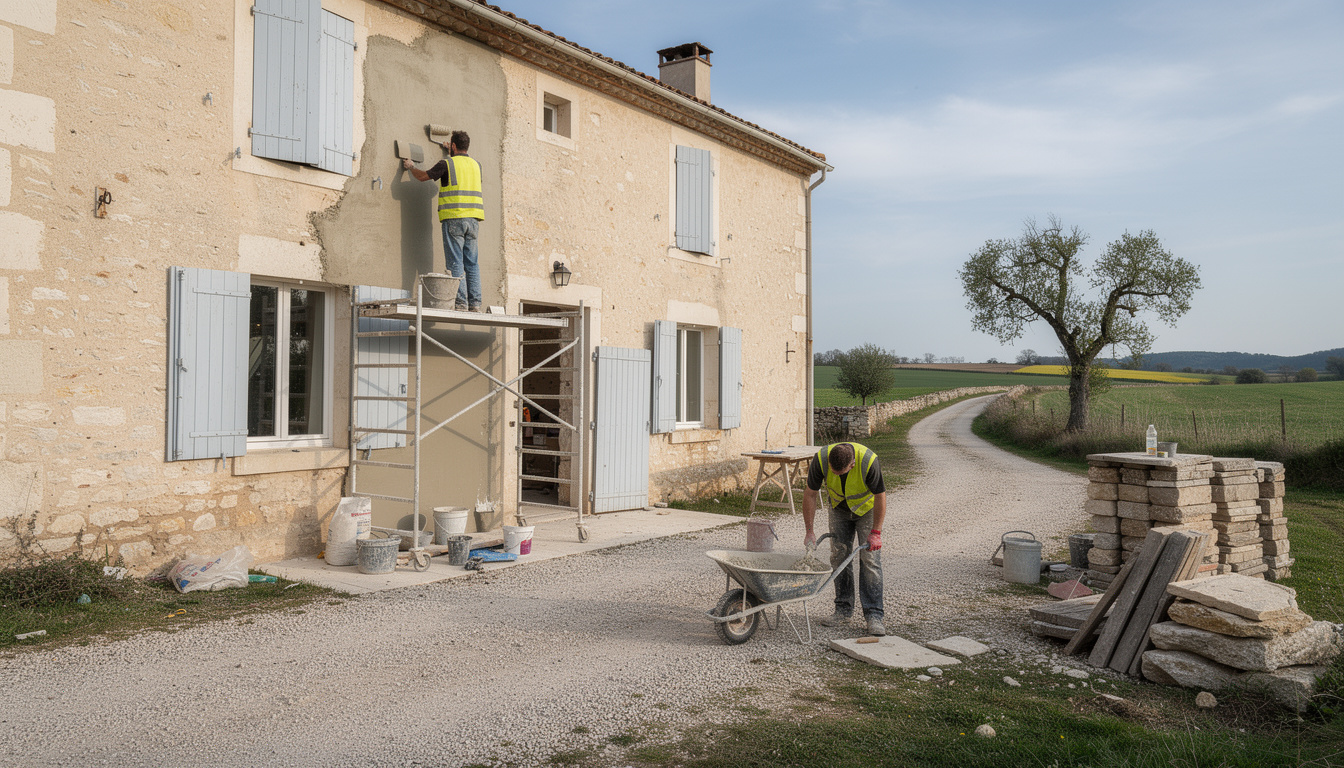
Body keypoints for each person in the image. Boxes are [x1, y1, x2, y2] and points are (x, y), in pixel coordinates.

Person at [802, 441, 887, 636]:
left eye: (840, 473)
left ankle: (874, 615)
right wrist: (809, 531)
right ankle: (843, 610)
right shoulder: (821, 459)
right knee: (839, 557)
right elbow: (810, 494)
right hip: (839, 509)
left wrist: (876, 533)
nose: (836, 475)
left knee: (870, 559)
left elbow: (880, 496)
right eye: (833, 472)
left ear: (852, 464)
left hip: (866, 510)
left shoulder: (868, 461)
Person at [402, 130, 485, 311]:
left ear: (453, 145)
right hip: (473, 221)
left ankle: (461, 303)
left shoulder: (447, 163)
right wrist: (450, 153)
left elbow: (422, 177)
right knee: (472, 263)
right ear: (466, 146)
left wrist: (411, 167)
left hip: (454, 219)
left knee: (456, 262)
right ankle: (475, 303)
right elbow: (460, 174)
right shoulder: (476, 165)